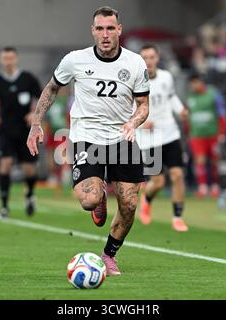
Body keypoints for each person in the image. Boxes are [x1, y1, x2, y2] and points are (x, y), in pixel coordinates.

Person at [26, 6, 150, 276]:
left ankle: (109, 255)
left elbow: (143, 105)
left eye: (110, 28)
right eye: (100, 29)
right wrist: (36, 123)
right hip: (87, 138)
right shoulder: (75, 60)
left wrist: (134, 121)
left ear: (119, 30)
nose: (105, 34)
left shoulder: (135, 63)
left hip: (122, 138)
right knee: (89, 201)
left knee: (129, 205)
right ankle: (101, 195)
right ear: (93, 31)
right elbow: (52, 87)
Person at [0, 47, 42, 219]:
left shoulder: (28, 79)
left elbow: (42, 98)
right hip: (6, 130)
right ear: (1, 60)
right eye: (5, 58)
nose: (8, 61)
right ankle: (4, 208)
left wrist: (35, 114)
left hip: (26, 131)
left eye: (11, 58)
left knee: (29, 169)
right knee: (5, 164)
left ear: (16, 59)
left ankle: (30, 194)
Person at [136, 44, 188, 232]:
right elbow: (127, 110)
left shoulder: (166, 77)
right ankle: (147, 200)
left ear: (157, 58)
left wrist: (180, 109)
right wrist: (142, 123)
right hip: (148, 138)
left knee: (178, 175)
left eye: (151, 57)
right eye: (144, 57)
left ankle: (177, 217)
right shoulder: (135, 81)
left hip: (170, 132)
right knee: (158, 182)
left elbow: (171, 97)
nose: (148, 61)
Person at [186, 72, 226, 198]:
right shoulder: (190, 97)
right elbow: (187, 117)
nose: (192, 86)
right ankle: (202, 187)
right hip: (197, 135)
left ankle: (215, 186)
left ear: (200, 82)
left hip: (212, 134)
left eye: (194, 83)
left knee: (214, 161)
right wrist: (188, 132)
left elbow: (222, 115)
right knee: (200, 160)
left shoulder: (213, 94)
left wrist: (222, 133)